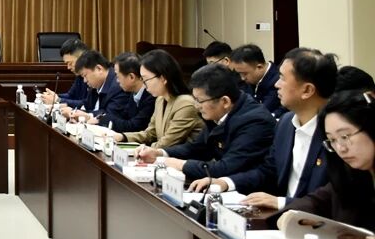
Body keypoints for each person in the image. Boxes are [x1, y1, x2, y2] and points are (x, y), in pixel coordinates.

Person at [189, 47, 336, 205]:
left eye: (283, 78)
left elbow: (336, 201)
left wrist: (281, 203)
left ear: (307, 90)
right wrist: (226, 182)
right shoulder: (286, 124)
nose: (277, 84)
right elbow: (268, 170)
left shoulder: (337, 133)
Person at [137, 63, 275, 182]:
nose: (196, 106)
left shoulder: (255, 121)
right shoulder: (217, 113)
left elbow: (226, 168)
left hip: (252, 191)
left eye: (199, 101)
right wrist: (159, 153)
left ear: (225, 101)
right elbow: (197, 148)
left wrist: (177, 164)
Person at [280, 90, 375, 239]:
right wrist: (289, 216)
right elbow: (315, 202)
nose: (340, 148)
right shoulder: (352, 175)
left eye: (345, 137)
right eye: (332, 140)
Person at [112, 49, 204, 148]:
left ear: (163, 78)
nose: (144, 84)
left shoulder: (185, 103)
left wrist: (143, 149)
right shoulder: (160, 100)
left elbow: (168, 142)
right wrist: (122, 137)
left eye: (146, 79)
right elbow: (150, 133)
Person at [60, 50, 131, 122]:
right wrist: (71, 110)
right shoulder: (95, 85)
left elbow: (110, 115)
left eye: (85, 75)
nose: (85, 81)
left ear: (99, 69)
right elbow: (87, 104)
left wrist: (87, 115)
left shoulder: (119, 85)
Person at [94, 52, 154, 133]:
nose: (117, 81)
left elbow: (134, 126)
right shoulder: (133, 92)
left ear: (131, 77)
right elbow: (122, 117)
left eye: (118, 76)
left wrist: (103, 119)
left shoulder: (150, 96)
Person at [231, 44, 284, 117]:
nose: (242, 78)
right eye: (239, 73)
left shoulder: (277, 82)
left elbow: (261, 111)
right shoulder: (251, 80)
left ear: (259, 67)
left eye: (245, 74)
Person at [40, 39, 89, 107]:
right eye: (67, 64)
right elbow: (71, 95)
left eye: (70, 63)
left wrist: (58, 100)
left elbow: (88, 104)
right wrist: (54, 96)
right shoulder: (79, 75)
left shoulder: (94, 76)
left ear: (82, 58)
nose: (68, 67)